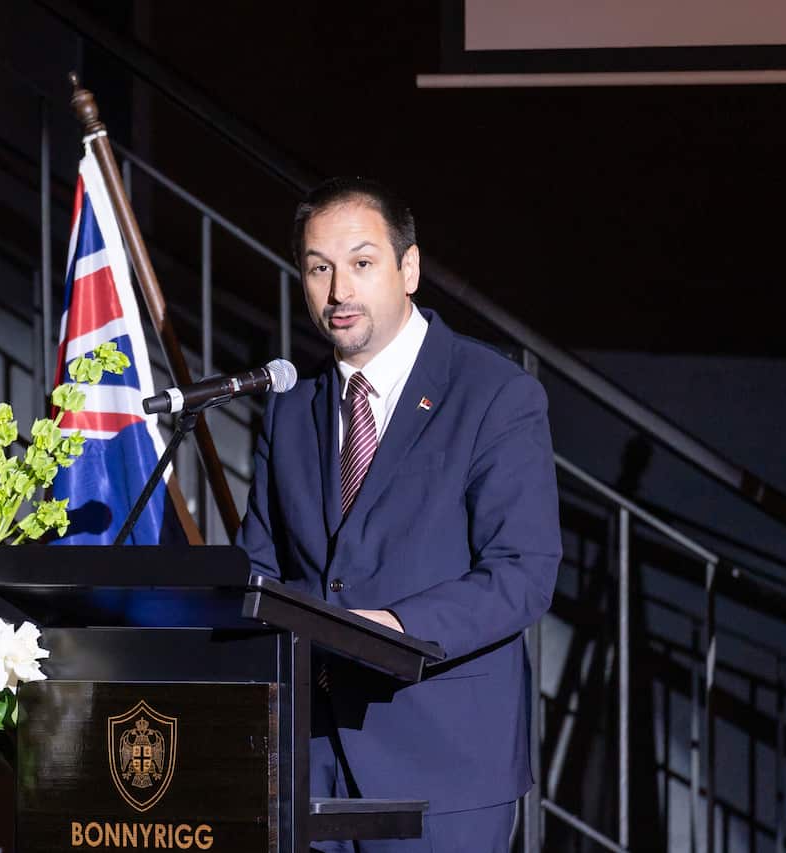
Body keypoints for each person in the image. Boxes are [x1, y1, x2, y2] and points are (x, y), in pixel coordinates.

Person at [237, 177, 561, 852]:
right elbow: (262, 572)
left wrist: (394, 629)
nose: (338, 292)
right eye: (318, 268)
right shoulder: (292, 409)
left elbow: (522, 574)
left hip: (443, 769)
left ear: (408, 268)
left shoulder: (495, 395)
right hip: (307, 759)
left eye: (361, 263)